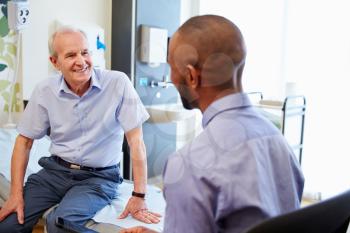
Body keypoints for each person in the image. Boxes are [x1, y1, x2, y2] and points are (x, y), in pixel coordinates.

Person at [121, 15, 304, 233]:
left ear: (191, 76)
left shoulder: (189, 164)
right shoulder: (276, 138)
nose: (170, 77)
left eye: (171, 67)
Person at [0, 26, 160, 233]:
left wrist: (139, 195)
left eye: (85, 52)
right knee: (8, 225)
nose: (81, 61)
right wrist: (15, 194)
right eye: (71, 55)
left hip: (98, 178)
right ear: (54, 62)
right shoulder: (45, 91)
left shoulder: (117, 83)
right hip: (53, 172)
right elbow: (24, 141)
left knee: (58, 224)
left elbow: (136, 142)